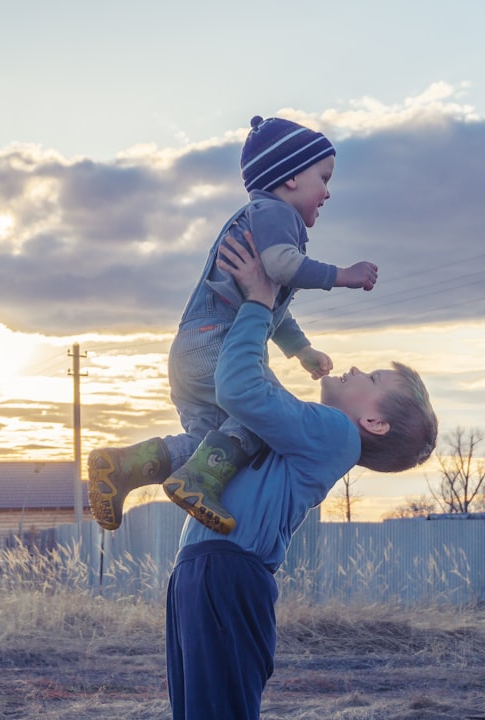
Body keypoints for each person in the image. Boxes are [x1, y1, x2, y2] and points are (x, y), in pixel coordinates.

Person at [166, 231, 437, 719]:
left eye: (372, 379)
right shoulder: (311, 434)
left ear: (374, 423)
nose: (356, 369)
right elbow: (239, 404)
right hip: (206, 566)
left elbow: (242, 389)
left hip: (226, 571)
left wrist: (259, 302)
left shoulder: (336, 434)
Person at [89, 115, 381, 534]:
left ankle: (122, 467)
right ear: (291, 177)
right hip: (217, 344)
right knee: (261, 412)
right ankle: (197, 481)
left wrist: (299, 349)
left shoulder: (263, 219)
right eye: (324, 177)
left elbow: (274, 303)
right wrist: (342, 275)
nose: (328, 192)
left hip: (192, 350)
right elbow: (283, 268)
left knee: (210, 441)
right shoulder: (276, 214)